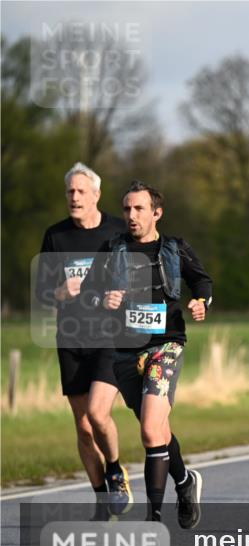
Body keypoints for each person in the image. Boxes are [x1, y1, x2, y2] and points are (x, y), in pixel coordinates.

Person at [82, 181, 211, 527]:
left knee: (151, 431)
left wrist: (201, 302)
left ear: (157, 212)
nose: (131, 216)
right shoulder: (112, 250)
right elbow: (88, 293)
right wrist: (101, 299)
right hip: (125, 351)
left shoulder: (174, 248)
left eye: (139, 209)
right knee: (158, 430)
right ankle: (185, 482)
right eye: (126, 209)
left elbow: (202, 282)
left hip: (166, 344)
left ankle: (154, 520)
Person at [36, 163, 130, 520]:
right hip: (71, 339)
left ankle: (117, 470)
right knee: (83, 426)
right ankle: (103, 502)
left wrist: (121, 295)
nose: (74, 197)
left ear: (96, 194)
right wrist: (59, 291)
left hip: (110, 338)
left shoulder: (117, 232)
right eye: (69, 192)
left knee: (98, 413)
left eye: (80, 191)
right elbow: (42, 292)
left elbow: (137, 276)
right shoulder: (55, 236)